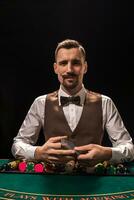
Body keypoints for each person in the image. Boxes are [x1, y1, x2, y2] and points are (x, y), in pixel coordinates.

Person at [11, 39, 134, 168]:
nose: (69, 69)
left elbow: (129, 148)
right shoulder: (40, 103)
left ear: (85, 67)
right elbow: (17, 145)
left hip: (94, 183)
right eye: (63, 63)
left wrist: (107, 153)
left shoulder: (105, 103)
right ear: (55, 68)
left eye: (76, 63)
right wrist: (38, 152)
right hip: (52, 183)